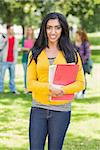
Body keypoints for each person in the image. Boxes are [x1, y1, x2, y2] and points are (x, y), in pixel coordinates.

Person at [27, 12, 85, 150]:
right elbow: (30, 83)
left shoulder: (72, 54)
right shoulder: (35, 52)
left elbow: (81, 83)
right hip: (38, 109)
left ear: (63, 29)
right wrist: (49, 88)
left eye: (57, 27)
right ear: (44, 29)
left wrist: (62, 90)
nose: (53, 32)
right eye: (49, 27)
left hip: (61, 111)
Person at [0, 24, 19, 94]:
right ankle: (0, 90)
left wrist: (15, 60)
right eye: (10, 29)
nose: (12, 31)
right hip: (4, 61)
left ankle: (13, 90)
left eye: (12, 29)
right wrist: (4, 41)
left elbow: (15, 50)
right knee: (1, 77)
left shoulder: (15, 39)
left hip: (12, 61)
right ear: (7, 30)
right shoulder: (3, 38)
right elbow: (0, 47)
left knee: (12, 77)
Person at [75, 30, 91, 98]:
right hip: (75, 64)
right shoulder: (74, 43)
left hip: (83, 64)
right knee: (75, 79)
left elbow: (88, 54)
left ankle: (82, 93)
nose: (76, 37)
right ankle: (77, 92)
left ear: (81, 36)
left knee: (82, 78)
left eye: (77, 35)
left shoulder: (85, 43)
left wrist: (82, 60)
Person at [21, 26, 35, 94]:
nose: (29, 32)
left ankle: (31, 88)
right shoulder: (24, 38)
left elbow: (35, 49)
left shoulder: (34, 39)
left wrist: (31, 49)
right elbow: (22, 48)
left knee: (32, 75)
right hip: (25, 59)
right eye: (28, 30)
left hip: (32, 59)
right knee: (26, 74)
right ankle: (26, 88)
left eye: (31, 30)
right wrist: (27, 49)